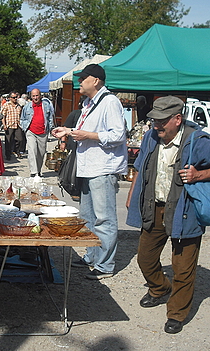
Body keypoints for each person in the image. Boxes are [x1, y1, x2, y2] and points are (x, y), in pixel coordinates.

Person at [126, 96, 210, 334]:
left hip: (185, 210)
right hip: (155, 206)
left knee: (183, 268)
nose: (156, 126)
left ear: (177, 119)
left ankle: (177, 313)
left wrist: (198, 175)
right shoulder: (151, 137)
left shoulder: (197, 140)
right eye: (154, 120)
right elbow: (140, 168)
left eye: (162, 121)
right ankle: (159, 289)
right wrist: (133, 194)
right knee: (145, 258)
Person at [52, 64, 127, 280]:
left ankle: (105, 264)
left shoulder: (110, 102)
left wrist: (88, 136)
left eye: (84, 78)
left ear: (96, 80)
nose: (80, 81)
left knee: (104, 218)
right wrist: (68, 131)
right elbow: (87, 130)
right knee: (88, 217)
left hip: (103, 168)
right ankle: (92, 255)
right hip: (88, 168)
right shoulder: (88, 103)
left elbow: (117, 136)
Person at [20, 88, 55, 177]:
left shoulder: (46, 105)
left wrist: (51, 129)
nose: (35, 98)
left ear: (40, 96)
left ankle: (38, 171)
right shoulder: (27, 106)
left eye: (37, 95)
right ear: (31, 97)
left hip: (43, 132)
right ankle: (33, 172)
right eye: (33, 96)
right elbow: (22, 118)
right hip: (31, 132)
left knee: (41, 153)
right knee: (32, 151)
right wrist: (25, 128)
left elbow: (50, 118)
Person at [0, 91, 24, 161]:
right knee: (8, 141)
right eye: (13, 97)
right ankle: (8, 154)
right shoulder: (6, 105)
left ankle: (17, 151)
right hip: (9, 125)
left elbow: (21, 115)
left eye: (16, 97)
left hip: (17, 124)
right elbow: (3, 116)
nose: (15, 99)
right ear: (10, 98)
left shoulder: (19, 106)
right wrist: (4, 125)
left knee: (20, 139)